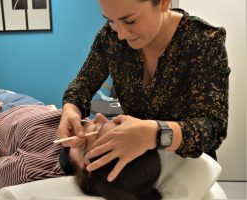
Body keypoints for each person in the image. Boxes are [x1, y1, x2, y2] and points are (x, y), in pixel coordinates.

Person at [58, 0, 230, 182]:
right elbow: (82, 85)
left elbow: (213, 129)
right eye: (110, 20)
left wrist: (155, 133)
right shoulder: (110, 37)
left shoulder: (203, 42)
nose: (121, 34)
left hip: (186, 167)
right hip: (135, 167)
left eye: (130, 21)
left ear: (164, 2)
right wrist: (71, 109)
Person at [0, 66, 162, 199]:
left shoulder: (32, 168)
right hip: (33, 105)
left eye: (99, 127)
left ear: (88, 162)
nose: (98, 116)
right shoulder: (82, 132)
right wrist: (60, 111)